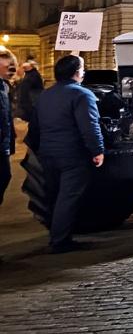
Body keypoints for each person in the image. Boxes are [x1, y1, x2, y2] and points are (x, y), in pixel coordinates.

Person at [30, 55, 105, 253]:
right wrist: (97, 150)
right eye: (82, 68)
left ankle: (56, 235)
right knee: (69, 197)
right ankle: (60, 241)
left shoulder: (45, 95)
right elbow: (89, 126)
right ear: (77, 72)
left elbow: (35, 127)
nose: (84, 72)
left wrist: (39, 148)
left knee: (54, 196)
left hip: (47, 154)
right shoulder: (82, 95)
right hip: (72, 154)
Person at [0, 49, 16, 209]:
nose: (10, 67)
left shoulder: (4, 87)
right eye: (7, 63)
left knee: (5, 176)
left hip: (3, 144)